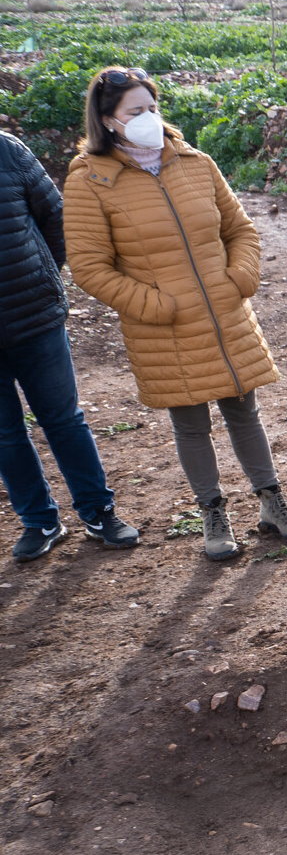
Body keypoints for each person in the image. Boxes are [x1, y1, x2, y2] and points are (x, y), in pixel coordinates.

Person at [63, 66, 287, 563]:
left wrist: (239, 278)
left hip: (224, 314)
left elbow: (241, 230)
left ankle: (272, 501)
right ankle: (213, 513)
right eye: (136, 111)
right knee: (191, 422)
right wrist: (155, 305)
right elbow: (90, 268)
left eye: (152, 108)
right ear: (109, 120)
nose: (148, 118)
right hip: (164, 328)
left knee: (245, 412)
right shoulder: (91, 182)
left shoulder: (195, 162)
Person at [2, 131, 140, 562]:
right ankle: (39, 521)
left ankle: (98, 511)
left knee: (63, 419)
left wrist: (46, 278)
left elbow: (55, 219)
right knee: (5, 435)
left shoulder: (8, 150)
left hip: (35, 316)